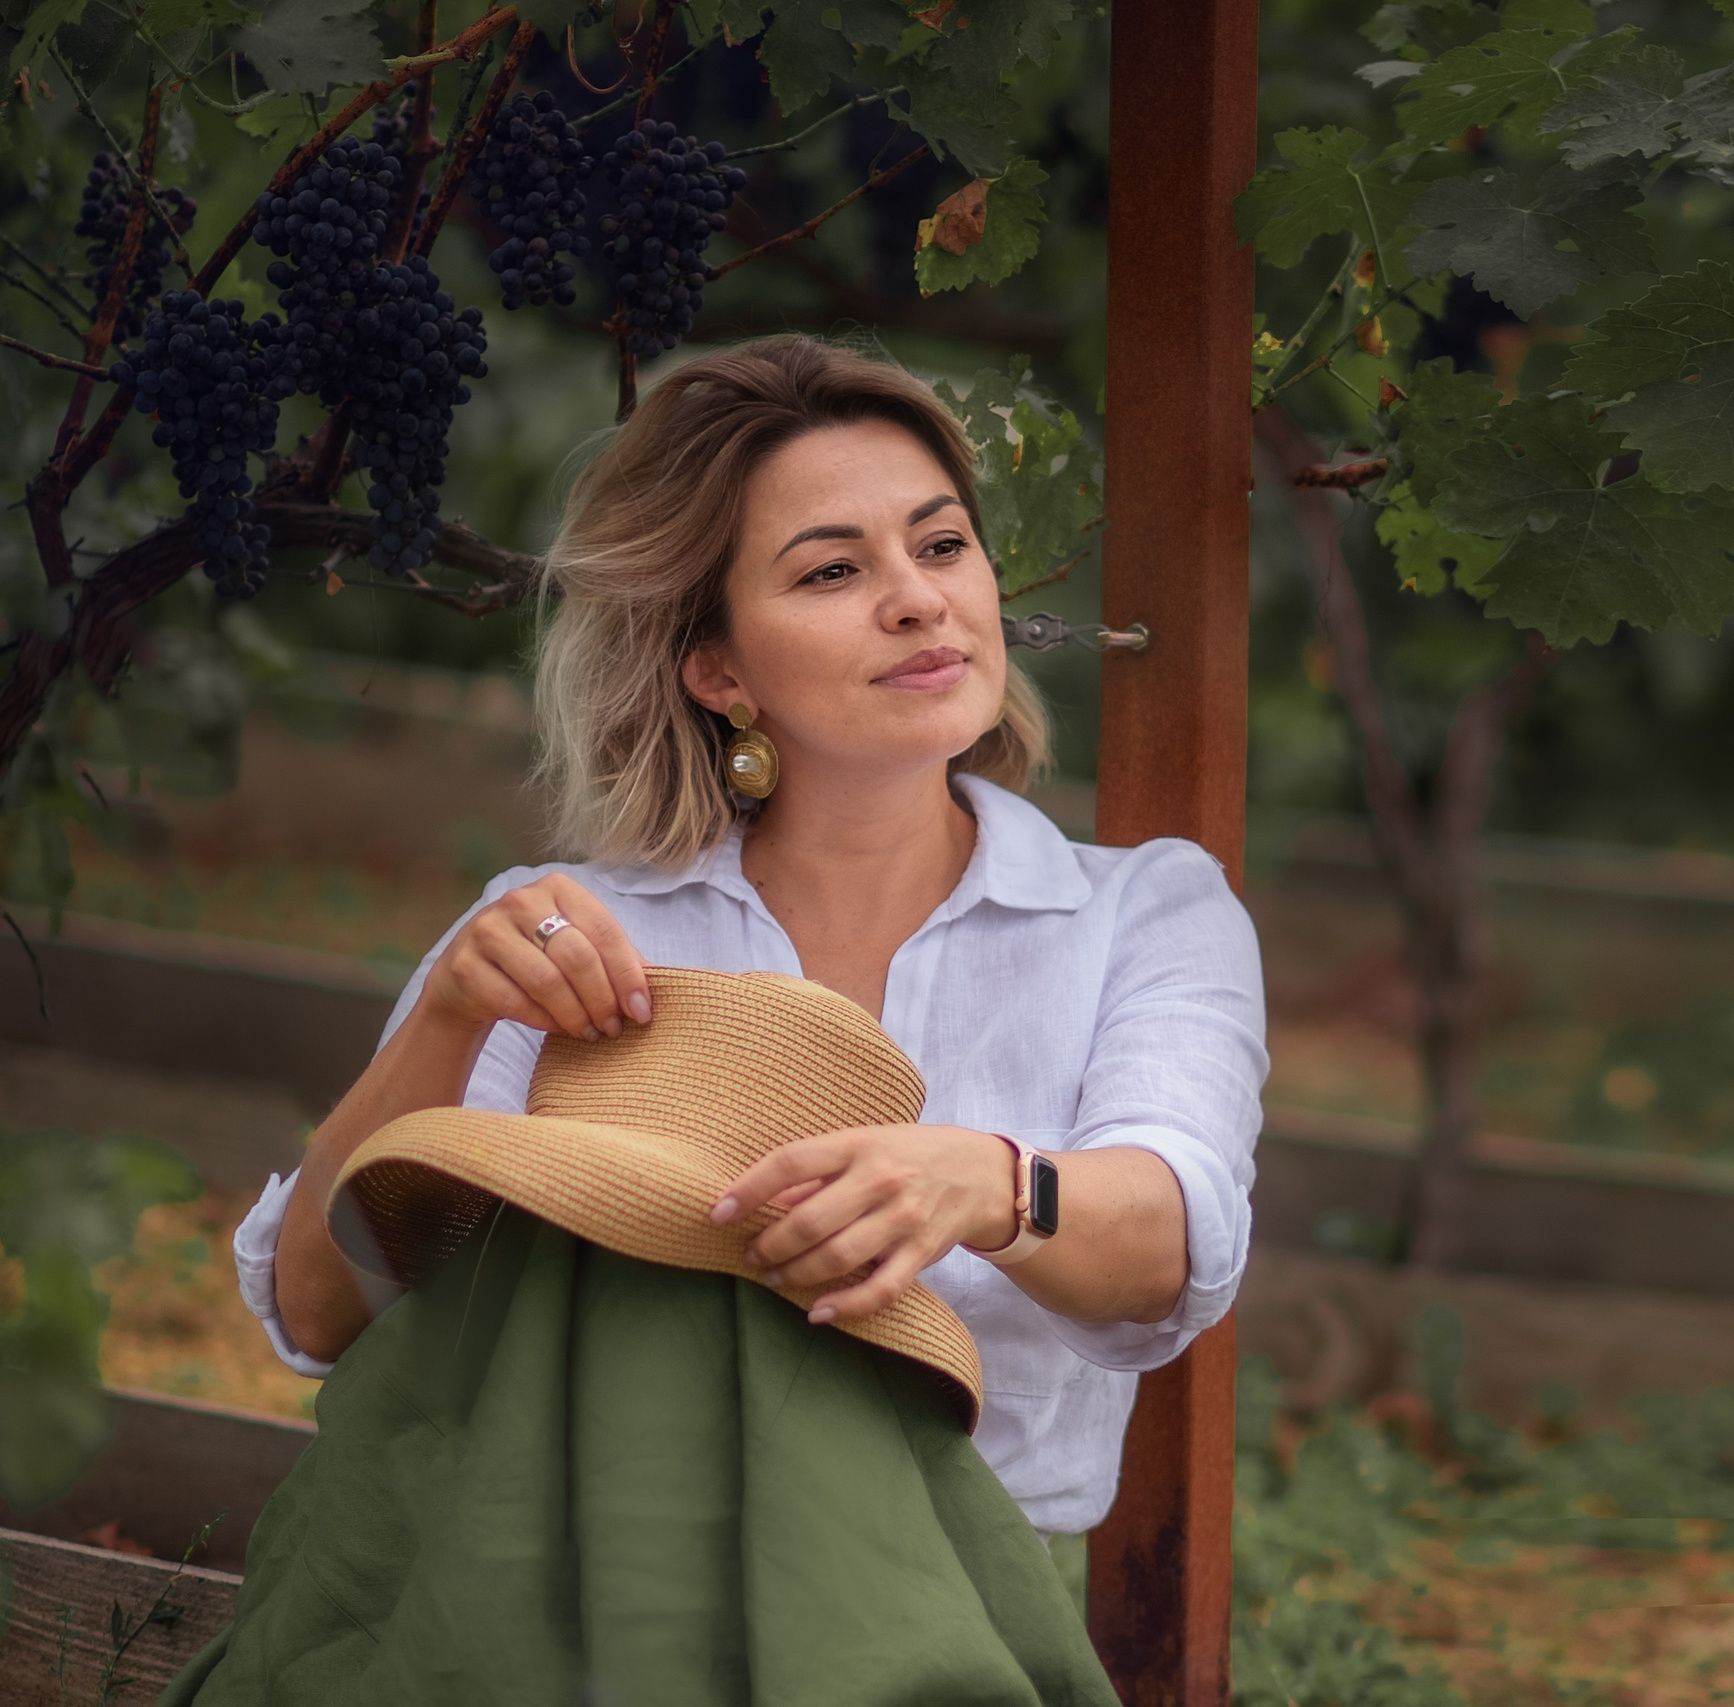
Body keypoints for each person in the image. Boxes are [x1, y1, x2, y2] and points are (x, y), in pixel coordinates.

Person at [191, 335, 1267, 1703]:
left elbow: (1177, 1244)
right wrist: (450, 1020)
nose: (917, 602)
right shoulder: (566, 924)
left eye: (941, 547)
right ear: (719, 671)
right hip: (548, 1594)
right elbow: (313, 1311)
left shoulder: (1145, 914)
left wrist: (988, 1184)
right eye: (833, 571)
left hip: (936, 1616)